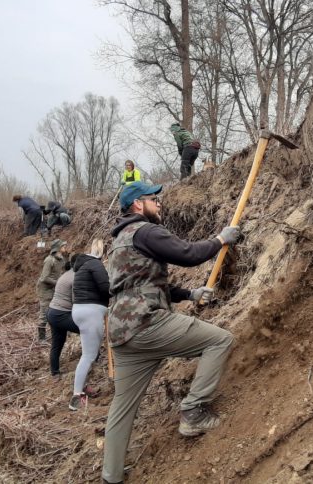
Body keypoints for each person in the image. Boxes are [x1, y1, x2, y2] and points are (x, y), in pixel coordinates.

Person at [101, 182, 241, 484]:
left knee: (122, 408)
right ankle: (193, 411)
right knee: (220, 340)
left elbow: (141, 284)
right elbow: (188, 253)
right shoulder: (146, 230)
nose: (160, 204)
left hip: (122, 333)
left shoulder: (120, 240)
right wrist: (220, 239)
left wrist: (190, 294)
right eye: (155, 199)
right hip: (148, 323)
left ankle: (110, 476)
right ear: (139, 204)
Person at [69, 239, 110, 411]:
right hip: (91, 312)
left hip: (80, 310)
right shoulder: (95, 264)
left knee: (89, 354)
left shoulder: (82, 266)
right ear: (102, 251)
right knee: (88, 356)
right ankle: (77, 397)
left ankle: (82, 387)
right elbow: (105, 288)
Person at [47, 254, 80, 377]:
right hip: (61, 314)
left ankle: (54, 373)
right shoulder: (75, 277)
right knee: (87, 330)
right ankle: (94, 358)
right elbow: (74, 300)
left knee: (57, 343)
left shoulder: (65, 274)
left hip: (52, 312)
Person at [36, 239, 68, 342]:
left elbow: (60, 274)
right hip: (45, 290)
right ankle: (41, 339)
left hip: (54, 288)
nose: (65, 247)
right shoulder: (49, 260)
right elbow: (44, 278)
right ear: (58, 248)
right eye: (63, 246)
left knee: (55, 311)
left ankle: (57, 333)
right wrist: (58, 282)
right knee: (44, 313)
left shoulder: (61, 259)